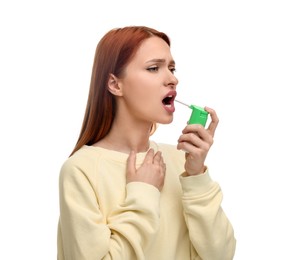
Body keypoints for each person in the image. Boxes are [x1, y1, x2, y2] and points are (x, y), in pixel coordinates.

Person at [57, 25, 236, 260]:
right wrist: (143, 191)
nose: (173, 79)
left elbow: (220, 255)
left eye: (171, 68)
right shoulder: (81, 170)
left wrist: (196, 178)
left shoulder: (181, 161)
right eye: (154, 68)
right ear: (115, 84)